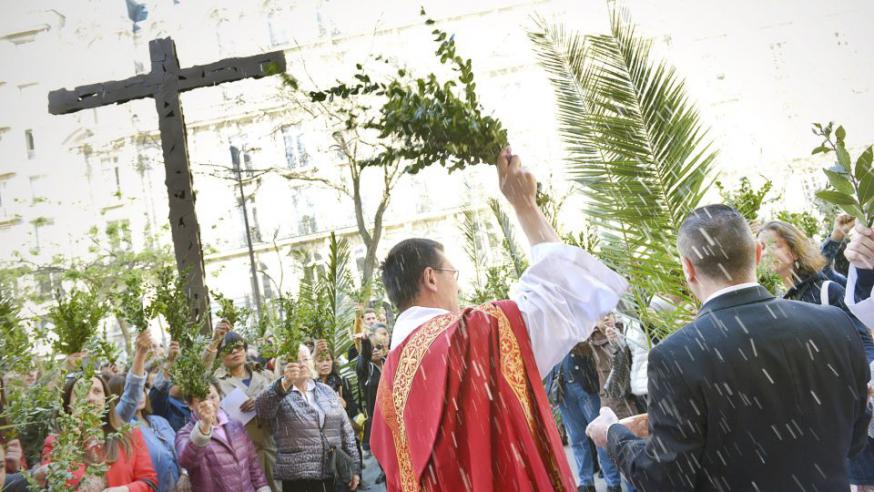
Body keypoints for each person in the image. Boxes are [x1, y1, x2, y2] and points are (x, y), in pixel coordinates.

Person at [371, 148, 627, 491]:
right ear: (431, 278)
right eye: (453, 273)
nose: (457, 285)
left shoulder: (390, 378)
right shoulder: (463, 336)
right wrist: (525, 206)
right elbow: (562, 295)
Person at [586, 204, 871, 490]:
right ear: (757, 254)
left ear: (687, 268)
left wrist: (613, 435)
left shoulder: (678, 354)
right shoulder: (834, 323)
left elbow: (664, 476)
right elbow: (856, 437)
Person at [759, 220, 874, 361]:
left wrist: (870, 376)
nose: (767, 253)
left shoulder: (826, 291)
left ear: (794, 252)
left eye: (775, 245)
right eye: (762, 247)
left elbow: (862, 342)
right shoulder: (775, 304)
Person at [256, 344, 361, 492]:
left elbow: (346, 431)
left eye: (305, 359)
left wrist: (354, 467)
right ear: (284, 367)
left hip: (335, 473)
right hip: (300, 480)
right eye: (295, 361)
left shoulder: (326, 391)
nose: (301, 364)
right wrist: (284, 383)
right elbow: (262, 410)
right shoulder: (279, 396)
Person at [41, 374, 158, 491]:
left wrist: (125, 490)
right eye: (81, 392)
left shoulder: (129, 434)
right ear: (69, 405)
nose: (90, 398)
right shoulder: (55, 443)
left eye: (96, 391)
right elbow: (58, 485)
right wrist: (71, 440)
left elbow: (149, 482)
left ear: (105, 400)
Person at [111, 331, 183, 492]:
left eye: (142, 390)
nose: (139, 396)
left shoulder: (160, 421)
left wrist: (184, 474)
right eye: (130, 394)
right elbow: (133, 393)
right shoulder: (121, 429)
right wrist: (141, 354)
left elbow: (180, 452)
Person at [210, 328, 279, 491]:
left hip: (271, 448)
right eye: (228, 349)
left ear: (245, 349)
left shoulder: (266, 375)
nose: (235, 351)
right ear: (220, 355)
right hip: (241, 454)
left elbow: (282, 404)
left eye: (239, 347)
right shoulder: (217, 383)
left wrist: (261, 402)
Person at [545, 342, 618, 492]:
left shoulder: (577, 324)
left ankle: (613, 482)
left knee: (600, 435)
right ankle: (586, 482)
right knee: (577, 439)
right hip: (562, 390)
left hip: (586, 384)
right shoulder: (548, 328)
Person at [176, 380, 270, 492]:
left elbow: (253, 464)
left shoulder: (236, 425)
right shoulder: (185, 434)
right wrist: (205, 426)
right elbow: (187, 462)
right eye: (202, 400)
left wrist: (262, 488)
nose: (209, 403)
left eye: (212, 397)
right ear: (190, 405)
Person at [150, 340, 192, 432]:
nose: (183, 378)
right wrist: (170, 362)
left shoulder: (195, 403)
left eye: (186, 373)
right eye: (174, 375)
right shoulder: (164, 405)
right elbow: (158, 392)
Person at [355, 330, 386, 455]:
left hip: (395, 415)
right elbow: (365, 357)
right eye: (371, 348)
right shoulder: (365, 368)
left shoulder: (390, 362)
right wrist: (365, 342)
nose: (375, 350)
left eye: (378, 347)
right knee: (384, 452)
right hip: (377, 417)